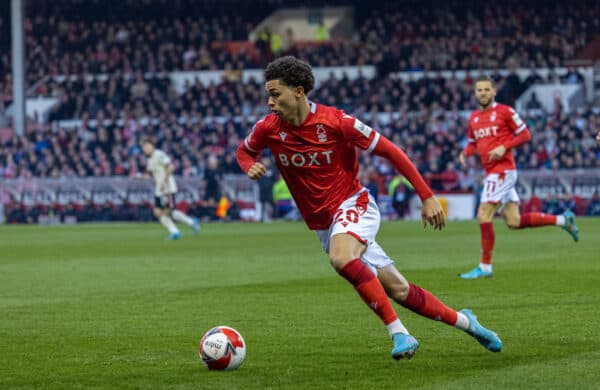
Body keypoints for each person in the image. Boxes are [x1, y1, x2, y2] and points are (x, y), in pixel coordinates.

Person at [236, 56, 502, 360]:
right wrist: (250, 165)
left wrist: (427, 196)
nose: (270, 102)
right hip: (324, 224)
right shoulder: (267, 128)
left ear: (298, 91)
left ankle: (399, 333)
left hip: (353, 204)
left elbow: (392, 151)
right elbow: (244, 151)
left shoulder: (338, 122)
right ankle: (469, 323)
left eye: (275, 94)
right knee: (399, 290)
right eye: (268, 95)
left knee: (341, 257)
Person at [458, 76, 579, 279]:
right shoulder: (474, 118)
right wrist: (464, 153)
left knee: (483, 215)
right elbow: (473, 143)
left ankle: (485, 267)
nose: (483, 93)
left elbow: (525, 135)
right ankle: (563, 220)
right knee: (513, 221)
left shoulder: (506, 112)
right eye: (479, 90)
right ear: (475, 93)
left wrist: (504, 147)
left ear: (494, 91)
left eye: (487, 89)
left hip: (503, 171)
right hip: (492, 173)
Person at [140, 136, 199, 240]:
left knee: (168, 212)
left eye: (146, 146)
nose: (145, 149)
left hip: (168, 188)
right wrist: (139, 177)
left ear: (151, 145)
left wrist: (164, 181)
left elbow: (171, 167)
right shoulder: (149, 159)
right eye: (143, 147)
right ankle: (178, 229)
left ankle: (188, 224)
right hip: (159, 190)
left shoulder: (159, 154)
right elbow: (150, 175)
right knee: (158, 212)